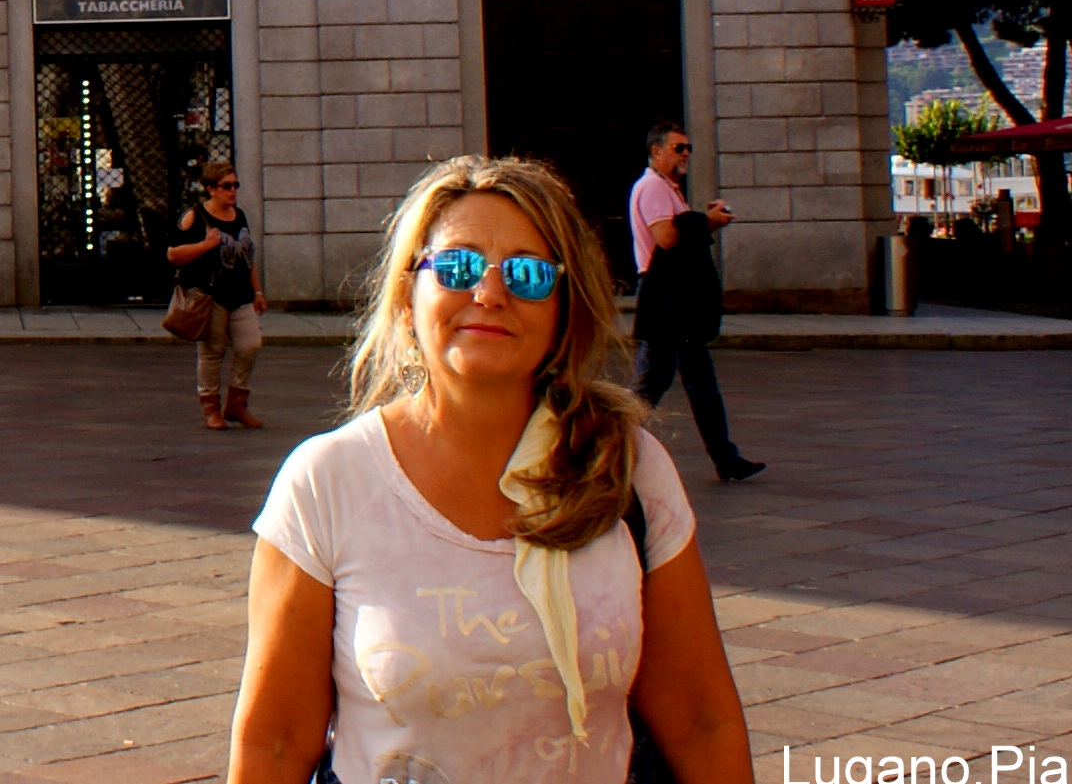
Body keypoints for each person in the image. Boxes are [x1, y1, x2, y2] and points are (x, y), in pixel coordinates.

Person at [226, 155, 755, 784]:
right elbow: (276, 745)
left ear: (565, 303)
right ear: (407, 292)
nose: (489, 294)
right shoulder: (328, 481)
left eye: (529, 275)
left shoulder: (628, 466)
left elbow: (699, 719)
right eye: (457, 266)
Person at [631, 122, 762, 483]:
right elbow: (668, 238)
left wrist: (706, 221)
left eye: (688, 148)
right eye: (678, 148)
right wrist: (706, 221)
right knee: (649, 386)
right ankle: (604, 448)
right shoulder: (653, 188)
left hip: (677, 301)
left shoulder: (668, 189)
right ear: (657, 151)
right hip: (666, 299)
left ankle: (726, 458)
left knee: (699, 384)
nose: (685, 153)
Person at [167, 161, 264, 431]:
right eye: (226, 186)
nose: (232, 191)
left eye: (235, 185)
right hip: (210, 296)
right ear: (210, 189)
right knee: (212, 352)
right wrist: (205, 244)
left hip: (241, 294)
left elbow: (248, 257)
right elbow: (173, 254)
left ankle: (236, 403)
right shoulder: (193, 217)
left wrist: (257, 290)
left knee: (250, 345)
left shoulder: (239, 215)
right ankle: (211, 408)